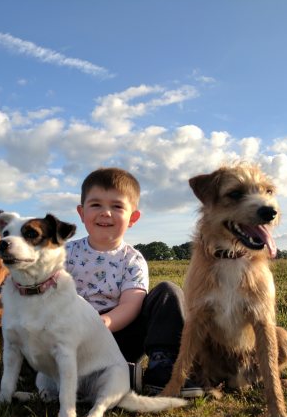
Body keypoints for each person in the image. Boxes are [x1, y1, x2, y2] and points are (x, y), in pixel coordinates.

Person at [64, 167, 203, 397]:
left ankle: (163, 367)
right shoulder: (65, 253)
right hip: (71, 337)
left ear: (133, 218)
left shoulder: (132, 259)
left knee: (167, 291)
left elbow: (131, 304)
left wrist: (103, 322)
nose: (106, 213)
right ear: (81, 212)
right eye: (96, 205)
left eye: (117, 206)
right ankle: (97, 375)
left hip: (119, 337)